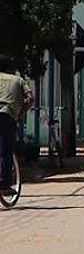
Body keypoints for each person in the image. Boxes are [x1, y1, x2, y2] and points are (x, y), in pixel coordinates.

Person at [0, 55, 27, 196]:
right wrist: (20, 113)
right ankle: (4, 185)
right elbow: (30, 98)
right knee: (6, 151)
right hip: (6, 116)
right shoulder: (18, 80)